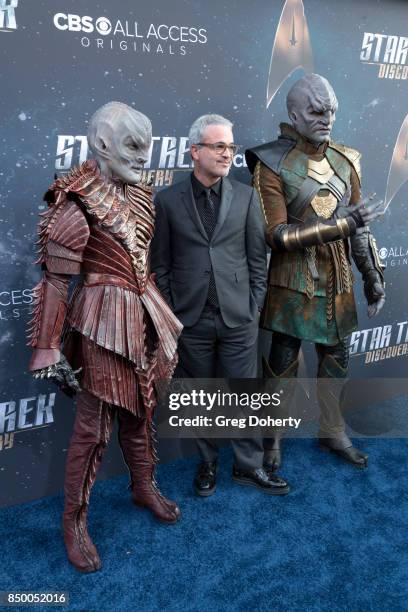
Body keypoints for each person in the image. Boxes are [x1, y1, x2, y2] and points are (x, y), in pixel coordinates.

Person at [27, 101, 183, 573]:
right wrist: (47, 347)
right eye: (133, 146)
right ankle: (73, 522)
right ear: (102, 143)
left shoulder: (140, 195)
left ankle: (143, 486)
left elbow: (142, 263)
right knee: (93, 428)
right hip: (99, 320)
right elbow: (56, 279)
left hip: (144, 312)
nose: (143, 157)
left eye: (148, 146)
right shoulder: (75, 199)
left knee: (141, 409)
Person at [245, 74, 385, 471]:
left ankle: (332, 429)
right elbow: (275, 235)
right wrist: (342, 225)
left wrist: (373, 276)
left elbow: (362, 226)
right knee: (282, 365)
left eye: (332, 109)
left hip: (339, 281)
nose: (326, 117)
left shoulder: (347, 159)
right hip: (292, 281)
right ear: (293, 113)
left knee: (337, 359)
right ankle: (270, 440)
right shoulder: (270, 161)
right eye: (316, 109)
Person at [151, 113, 289, 496]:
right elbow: (160, 264)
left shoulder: (246, 197)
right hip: (190, 320)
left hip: (238, 318)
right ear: (195, 151)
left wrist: (253, 307)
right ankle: (208, 462)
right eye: (218, 146)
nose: (228, 154)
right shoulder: (167, 201)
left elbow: (257, 260)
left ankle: (248, 466)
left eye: (230, 147)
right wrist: (175, 311)